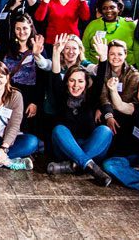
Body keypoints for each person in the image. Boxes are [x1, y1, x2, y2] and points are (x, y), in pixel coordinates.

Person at [48, 34, 113, 186]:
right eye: (72, 81)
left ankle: (75, 165)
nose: (76, 85)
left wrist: (103, 57)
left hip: (90, 147)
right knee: (59, 129)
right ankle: (88, 166)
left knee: (105, 131)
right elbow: (55, 75)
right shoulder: (61, 95)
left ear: (86, 83)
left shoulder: (91, 96)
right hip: (66, 149)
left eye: (80, 81)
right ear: (67, 82)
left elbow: (101, 77)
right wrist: (56, 53)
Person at [82, 0, 139, 69]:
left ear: (118, 8)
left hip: (126, 70)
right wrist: (89, 67)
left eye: (112, 7)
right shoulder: (92, 25)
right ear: (100, 10)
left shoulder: (130, 25)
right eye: (104, 8)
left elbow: (137, 49)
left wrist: (138, 69)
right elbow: (84, 49)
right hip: (97, 69)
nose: (108, 11)